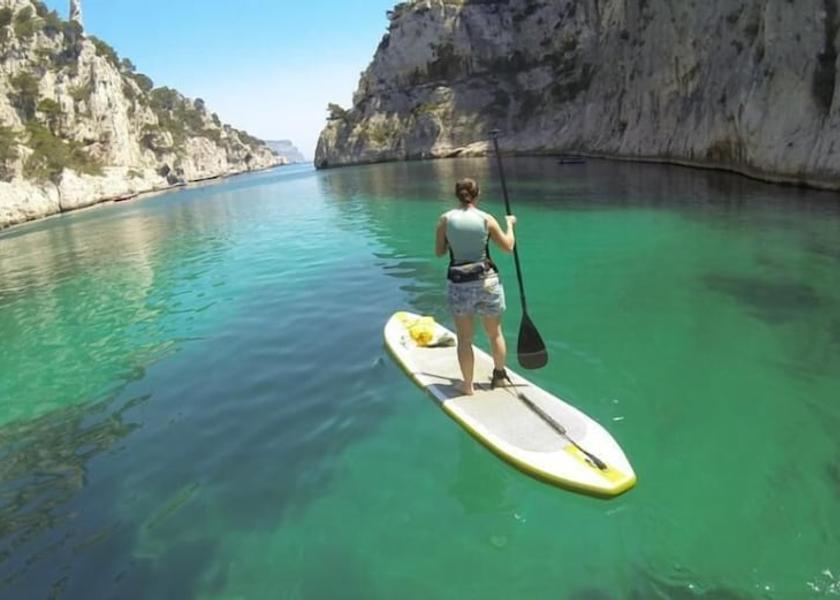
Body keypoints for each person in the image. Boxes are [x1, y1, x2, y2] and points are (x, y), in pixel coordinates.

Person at [435, 177, 516, 396]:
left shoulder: (445, 219)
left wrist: (452, 240)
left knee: (465, 339)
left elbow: (440, 252)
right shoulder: (486, 219)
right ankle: (499, 376)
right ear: (477, 195)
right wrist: (509, 224)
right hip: (487, 282)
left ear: (456, 195)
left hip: (459, 285)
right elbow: (508, 247)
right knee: (494, 334)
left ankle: (468, 385)